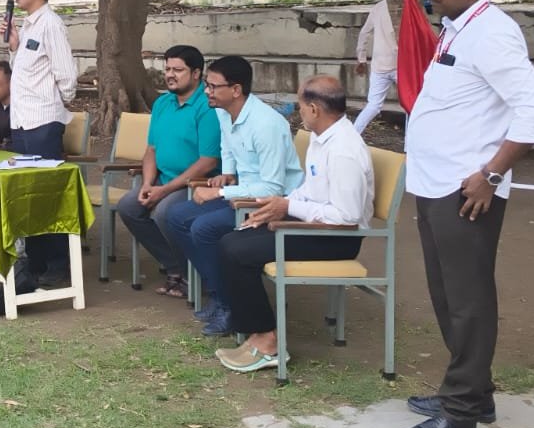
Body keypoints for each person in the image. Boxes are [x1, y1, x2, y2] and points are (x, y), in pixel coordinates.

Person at [401, 0, 534, 428]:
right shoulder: (457, 28)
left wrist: (491, 174)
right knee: (447, 295)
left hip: (466, 190)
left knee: (468, 300)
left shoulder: (492, 33)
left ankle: (461, 412)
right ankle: (475, 391)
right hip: (435, 183)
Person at [215, 76, 375, 372]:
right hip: (313, 224)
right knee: (234, 238)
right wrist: (274, 209)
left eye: (301, 105)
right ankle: (258, 332)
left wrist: (288, 207)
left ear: (314, 108)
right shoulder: (320, 136)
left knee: (238, 251)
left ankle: (267, 342)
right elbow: (307, 189)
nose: (298, 111)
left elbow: (347, 216)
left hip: (336, 237)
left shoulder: (343, 151)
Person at [165, 55, 302, 336]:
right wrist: (227, 172)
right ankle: (220, 294)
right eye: (206, 85)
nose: (207, 92)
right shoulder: (223, 111)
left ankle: (231, 306)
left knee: (204, 228)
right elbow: (228, 145)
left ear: (236, 90)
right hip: (243, 194)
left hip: (270, 204)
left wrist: (221, 191)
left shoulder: (267, 125)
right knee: (177, 216)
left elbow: (274, 188)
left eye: (213, 86)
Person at [0, 0, 78, 315]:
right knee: (29, 198)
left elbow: (65, 75)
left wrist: (54, 105)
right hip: (23, 124)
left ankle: (58, 265)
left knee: (46, 199)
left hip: (43, 124)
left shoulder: (51, 24)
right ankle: (38, 264)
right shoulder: (28, 25)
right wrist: (13, 46)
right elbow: (28, 70)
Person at [116, 45, 222, 297]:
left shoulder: (207, 107)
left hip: (197, 183)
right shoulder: (162, 103)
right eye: (167, 69)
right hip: (162, 180)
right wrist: (147, 184)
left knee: (165, 211)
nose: (170, 75)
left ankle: (194, 274)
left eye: (178, 70)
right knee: (129, 206)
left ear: (196, 74)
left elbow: (208, 161)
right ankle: (175, 267)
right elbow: (151, 149)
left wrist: (163, 191)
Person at [353, 0, 398, 134]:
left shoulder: (379, 7)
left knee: (373, 105)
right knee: (411, 104)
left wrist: (361, 59)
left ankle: (353, 135)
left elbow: (364, 33)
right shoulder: (405, 6)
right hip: (400, 64)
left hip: (379, 64)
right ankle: (409, 145)